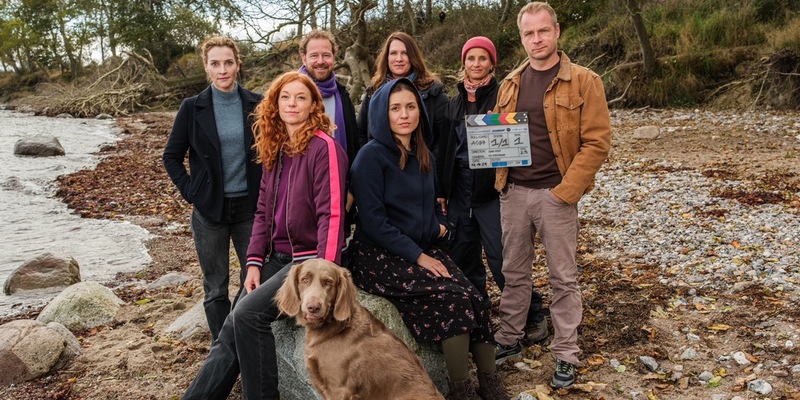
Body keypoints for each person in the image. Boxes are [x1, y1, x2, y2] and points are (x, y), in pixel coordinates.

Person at [182, 71, 348, 400]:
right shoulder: (275, 147)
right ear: (274, 104)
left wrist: (321, 273)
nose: (292, 104)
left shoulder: (323, 147)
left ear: (314, 105)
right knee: (231, 325)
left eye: (301, 97)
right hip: (276, 258)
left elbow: (333, 213)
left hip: (306, 262)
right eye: (285, 97)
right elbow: (261, 212)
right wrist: (254, 262)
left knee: (247, 315)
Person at [348, 78, 509, 400]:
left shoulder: (424, 155)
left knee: (474, 295)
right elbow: (374, 223)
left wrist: (442, 227)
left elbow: (434, 204)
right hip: (376, 254)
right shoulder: (370, 157)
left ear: (419, 111)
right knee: (452, 300)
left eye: (410, 107)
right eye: (395, 108)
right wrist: (420, 256)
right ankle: (461, 390)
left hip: (422, 246)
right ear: (383, 113)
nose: (404, 114)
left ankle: (491, 384)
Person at [491, 2, 612, 389]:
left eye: (543, 31)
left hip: (555, 195)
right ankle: (509, 338)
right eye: (529, 33)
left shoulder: (585, 80)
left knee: (563, 277)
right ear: (521, 37)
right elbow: (495, 136)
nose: (537, 39)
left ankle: (565, 353)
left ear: (557, 31)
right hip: (513, 193)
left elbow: (597, 142)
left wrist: (566, 192)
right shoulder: (510, 82)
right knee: (514, 272)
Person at [437, 36, 549, 344]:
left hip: (493, 194)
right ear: (463, 64)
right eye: (470, 58)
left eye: (482, 58)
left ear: (492, 63)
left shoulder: (504, 96)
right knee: (463, 258)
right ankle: (477, 314)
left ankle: (533, 313)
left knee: (504, 260)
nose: (476, 64)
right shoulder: (453, 102)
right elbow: (446, 150)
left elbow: (520, 140)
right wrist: (441, 190)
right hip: (460, 194)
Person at [163, 36, 263, 342]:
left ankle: (240, 338)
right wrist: (192, 191)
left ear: (237, 64)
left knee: (254, 280)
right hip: (209, 210)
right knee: (216, 286)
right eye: (215, 64)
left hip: (250, 208)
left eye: (228, 63)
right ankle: (223, 350)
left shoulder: (257, 104)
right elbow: (171, 156)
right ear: (207, 67)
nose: (223, 70)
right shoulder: (192, 108)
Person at [357, 31, 448, 154]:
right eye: (393, 53)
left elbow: (444, 140)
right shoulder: (373, 93)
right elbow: (361, 133)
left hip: (422, 167)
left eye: (405, 53)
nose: (399, 59)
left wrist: (429, 168)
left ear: (413, 57)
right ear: (386, 58)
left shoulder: (434, 93)